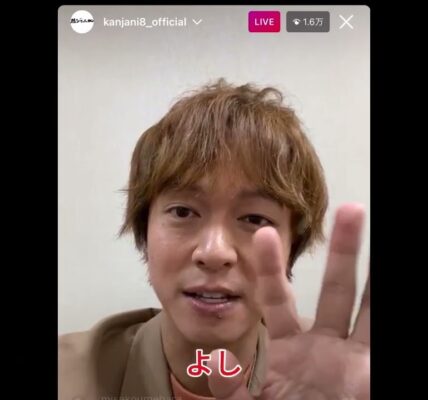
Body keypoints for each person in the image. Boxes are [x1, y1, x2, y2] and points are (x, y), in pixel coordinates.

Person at [59, 79, 370, 400]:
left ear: (292, 245)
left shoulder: (338, 377)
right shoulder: (68, 376)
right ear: (145, 229)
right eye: (183, 212)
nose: (214, 252)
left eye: (254, 219)